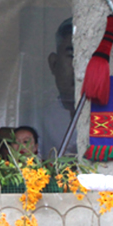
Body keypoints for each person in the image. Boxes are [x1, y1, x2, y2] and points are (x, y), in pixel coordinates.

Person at [31, 18, 77, 156]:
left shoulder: (112, 116)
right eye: (72, 56)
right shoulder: (38, 119)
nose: (79, 68)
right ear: (54, 63)